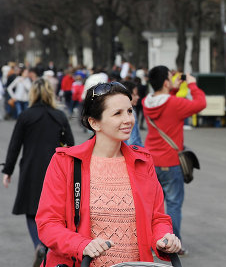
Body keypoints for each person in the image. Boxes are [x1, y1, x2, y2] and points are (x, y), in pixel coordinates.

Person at [36, 81, 181, 267]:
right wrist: (82, 245)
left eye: (129, 111)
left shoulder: (143, 162)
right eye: (117, 114)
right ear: (94, 122)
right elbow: (48, 224)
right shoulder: (66, 162)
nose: (128, 120)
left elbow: (157, 218)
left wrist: (164, 238)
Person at [2, 79, 74, 267]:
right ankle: (46, 245)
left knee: (31, 210)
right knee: (55, 211)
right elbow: (71, 145)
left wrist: (7, 170)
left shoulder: (26, 116)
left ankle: (38, 245)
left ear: (32, 94)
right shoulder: (59, 116)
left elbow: (15, 145)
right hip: (56, 169)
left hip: (31, 168)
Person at [142, 66, 206, 254]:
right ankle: (171, 245)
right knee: (174, 205)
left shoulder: (147, 102)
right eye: (170, 77)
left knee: (154, 206)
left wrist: (174, 89)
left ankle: (153, 241)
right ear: (165, 82)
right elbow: (200, 104)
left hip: (151, 161)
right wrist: (192, 85)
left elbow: (166, 103)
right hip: (170, 161)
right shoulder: (174, 104)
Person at [121, 80, 143, 146]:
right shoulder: (131, 113)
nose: (138, 97)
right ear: (127, 96)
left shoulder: (114, 113)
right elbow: (133, 141)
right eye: (135, 94)